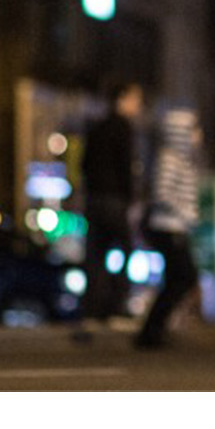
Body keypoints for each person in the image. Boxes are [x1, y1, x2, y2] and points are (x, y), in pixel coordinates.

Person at [133, 105, 202, 350]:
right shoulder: (170, 158)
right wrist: (187, 214)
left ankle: (153, 331)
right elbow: (161, 193)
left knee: (178, 279)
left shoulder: (181, 159)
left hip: (176, 227)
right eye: (193, 129)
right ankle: (151, 331)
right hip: (168, 227)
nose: (198, 135)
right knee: (183, 277)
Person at [78, 82, 144, 329]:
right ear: (122, 99)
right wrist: (131, 198)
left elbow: (83, 165)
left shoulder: (95, 128)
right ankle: (116, 307)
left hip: (94, 198)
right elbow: (126, 166)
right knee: (125, 250)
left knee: (96, 255)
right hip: (114, 199)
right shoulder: (123, 128)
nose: (138, 106)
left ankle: (93, 310)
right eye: (135, 100)